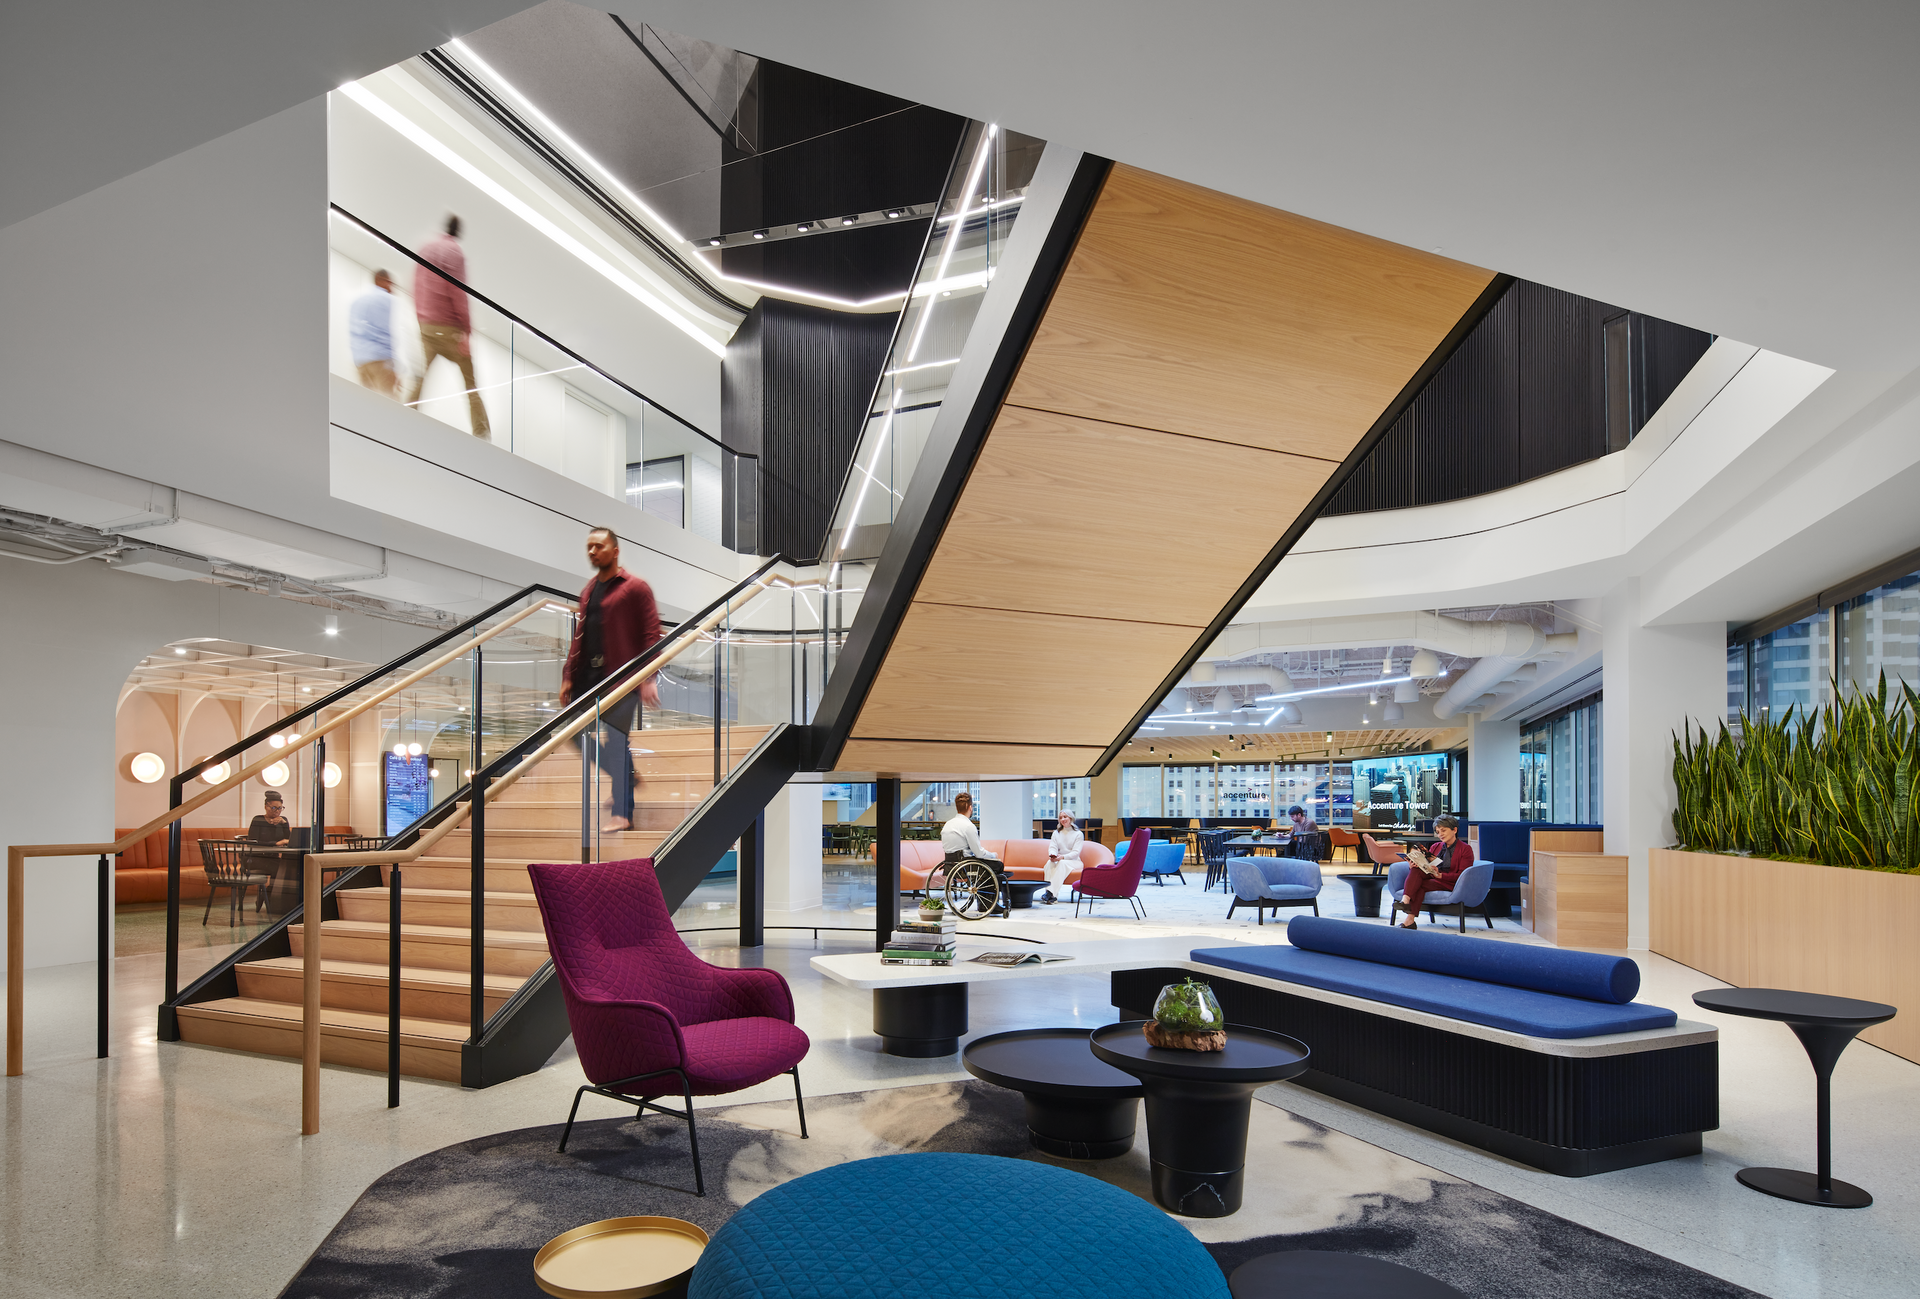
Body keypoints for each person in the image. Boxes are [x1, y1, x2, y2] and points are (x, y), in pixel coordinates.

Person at [561, 528, 661, 832]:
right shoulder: (589, 590)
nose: (593, 552)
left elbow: (651, 634)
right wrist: (568, 675)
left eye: (599, 546)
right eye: (589, 547)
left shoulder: (635, 587)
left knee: (616, 742)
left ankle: (622, 813)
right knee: (573, 734)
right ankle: (626, 777)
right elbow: (580, 636)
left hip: (622, 678)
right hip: (588, 679)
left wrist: (648, 677)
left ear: (615, 551)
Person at [403, 215, 490, 439]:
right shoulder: (455, 252)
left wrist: (421, 317)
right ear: (459, 232)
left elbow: (415, 284)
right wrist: (466, 332)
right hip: (450, 327)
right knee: (470, 384)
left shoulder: (425, 248)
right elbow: (458, 292)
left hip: (426, 325)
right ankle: (482, 435)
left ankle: (403, 418)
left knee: (420, 377)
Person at [1397, 814, 1474, 928]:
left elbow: (1463, 875)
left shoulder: (1465, 849)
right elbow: (1426, 867)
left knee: (1420, 885)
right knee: (1415, 871)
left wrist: (1441, 876)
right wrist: (1413, 865)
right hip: (1433, 877)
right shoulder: (1436, 846)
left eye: (1443, 830)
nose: (1440, 834)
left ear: (1454, 830)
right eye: (1438, 832)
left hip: (1449, 882)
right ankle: (1405, 900)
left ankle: (1409, 919)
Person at [347, 269, 398, 396]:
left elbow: (354, 332)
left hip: (361, 362)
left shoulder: (358, 301)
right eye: (389, 282)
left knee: (367, 404)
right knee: (389, 406)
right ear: (382, 280)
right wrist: (395, 367)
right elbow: (388, 333)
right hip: (381, 360)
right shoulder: (387, 299)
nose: (391, 287)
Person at [245, 790, 293, 910]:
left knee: (287, 868)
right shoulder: (258, 820)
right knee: (280, 869)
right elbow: (253, 842)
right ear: (266, 806)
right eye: (273, 808)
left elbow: (289, 840)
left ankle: (267, 895)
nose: (277, 811)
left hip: (272, 858)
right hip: (255, 858)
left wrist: (284, 823)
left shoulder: (283, 821)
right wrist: (275, 843)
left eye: (280, 808)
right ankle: (270, 898)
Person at [940, 791, 1003, 876]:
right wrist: (993, 855)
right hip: (965, 867)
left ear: (956, 808)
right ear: (970, 808)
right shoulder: (969, 826)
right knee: (998, 865)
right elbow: (979, 853)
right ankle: (986, 889)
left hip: (950, 866)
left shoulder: (947, 824)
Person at [1042, 811, 1082, 904]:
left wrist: (1062, 857)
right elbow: (1053, 847)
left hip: (1074, 862)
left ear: (1071, 818)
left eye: (1065, 817)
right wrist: (1053, 855)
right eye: (1060, 817)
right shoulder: (1056, 833)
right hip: (1060, 860)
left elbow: (1075, 853)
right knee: (1049, 863)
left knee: (1062, 863)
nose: (1062, 819)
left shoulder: (1078, 834)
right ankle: (1052, 897)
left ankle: (1050, 893)